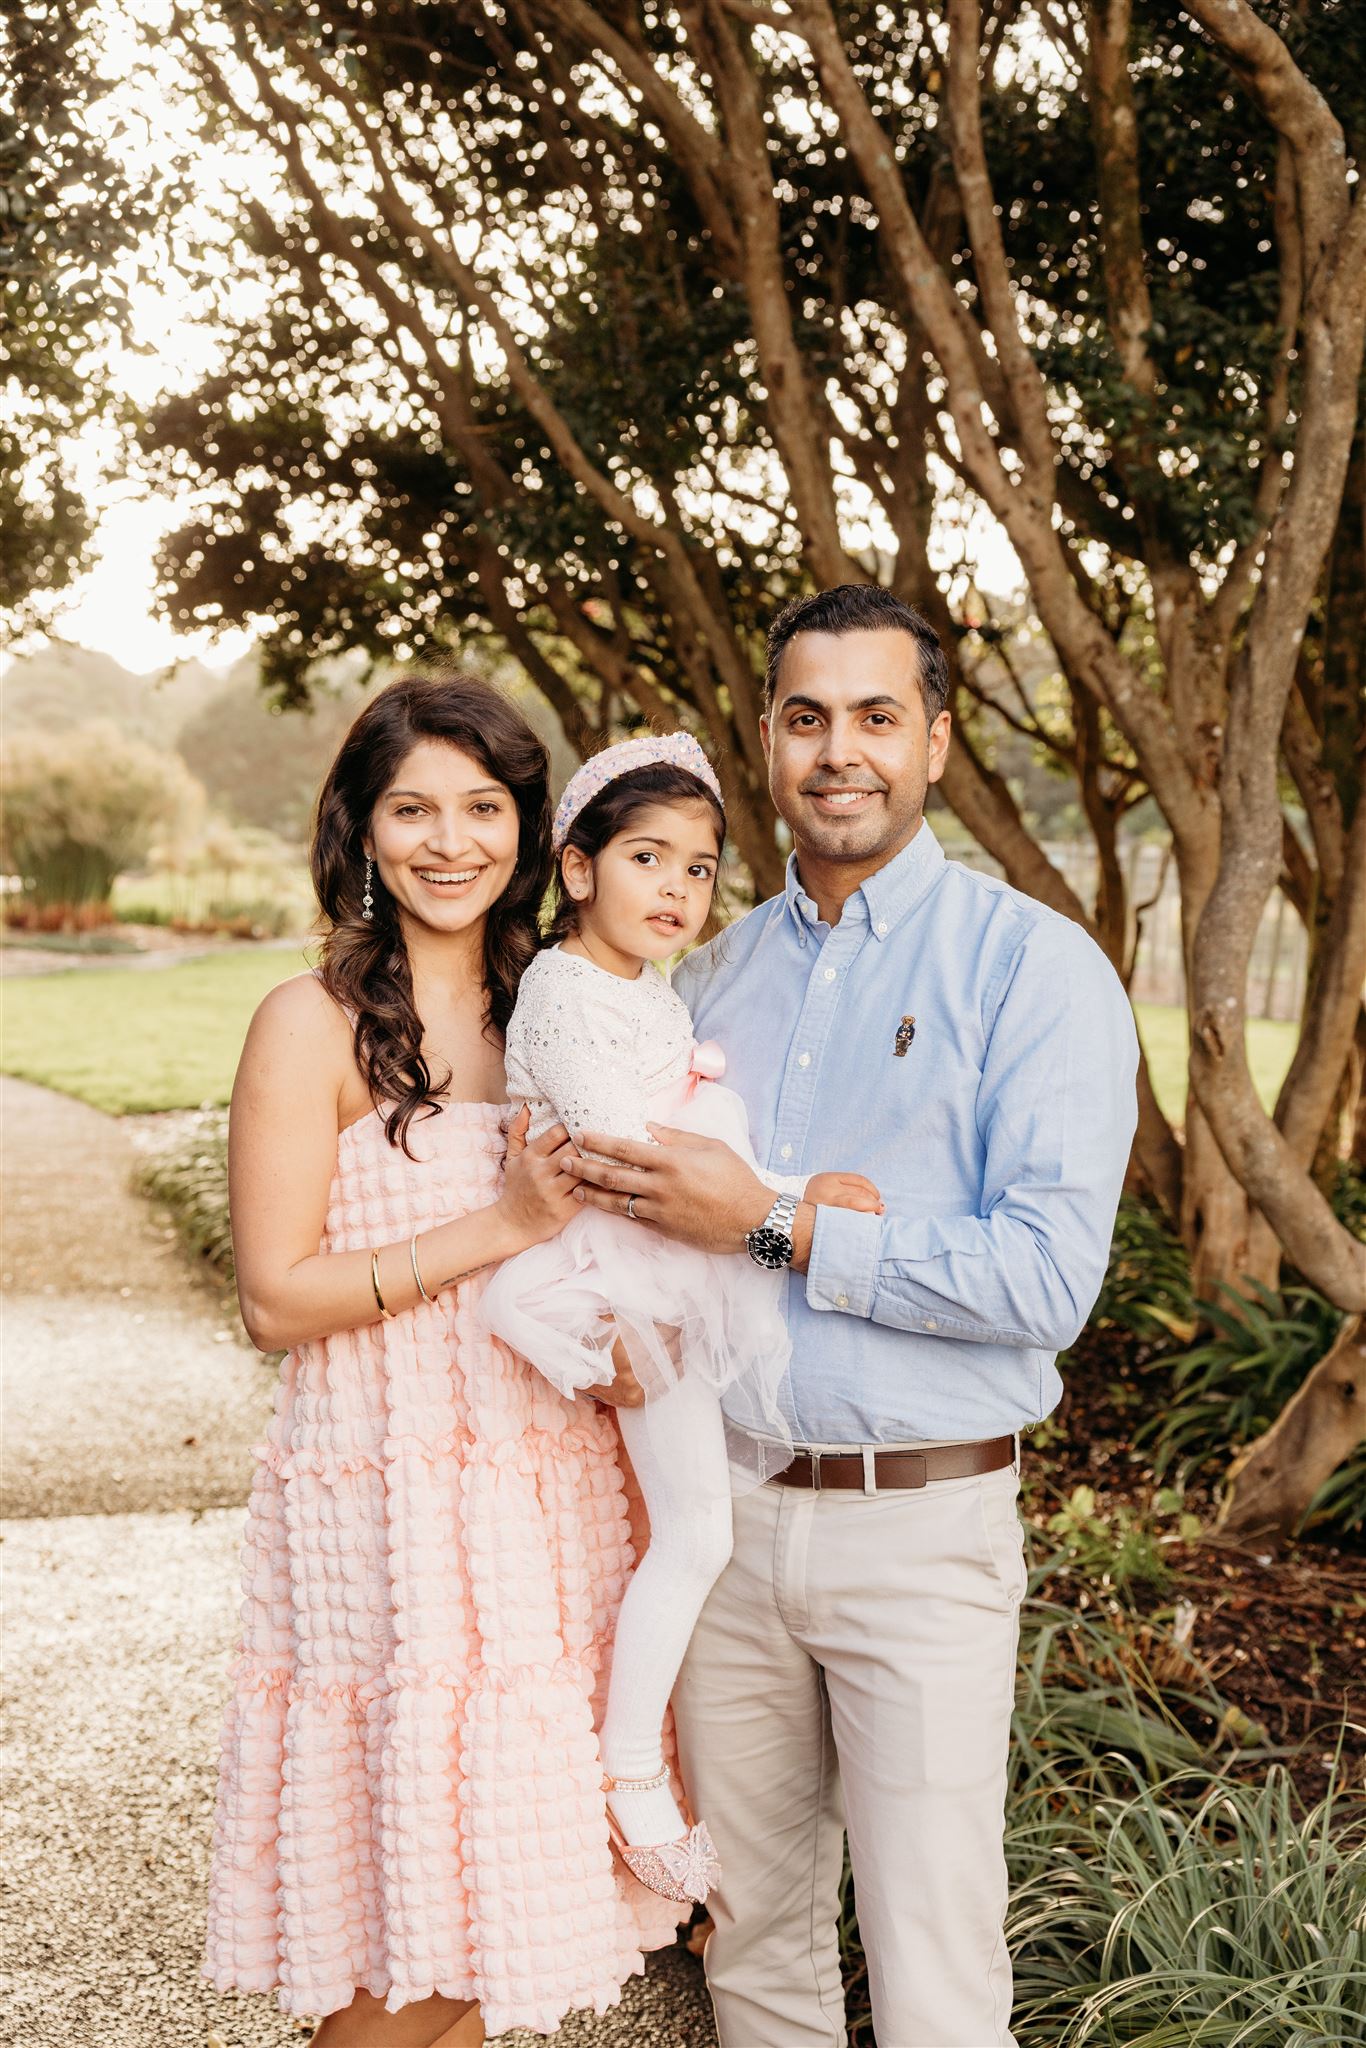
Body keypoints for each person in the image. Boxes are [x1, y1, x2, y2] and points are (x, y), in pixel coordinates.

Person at [564, 585, 1140, 2048]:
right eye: (807, 716)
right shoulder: (710, 974)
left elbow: (1042, 1282)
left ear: (935, 742)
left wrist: (773, 1221)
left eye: (876, 716)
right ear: (766, 740)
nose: (840, 751)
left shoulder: (1034, 968)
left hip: (922, 1538)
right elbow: (634, 1219)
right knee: (753, 1963)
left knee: (935, 1975)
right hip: (725, 1530)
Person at [205, 669, 687, 2048]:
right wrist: (504, 1222)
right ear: (360, 830)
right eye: (411, 808)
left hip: (546, 1500)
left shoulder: (561, 1007)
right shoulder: (311, 1024)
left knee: (486, 1930)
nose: (449, 839)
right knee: (391, 1958)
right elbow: (277, 1300)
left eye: (483, 806)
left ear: (533, 834)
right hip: (390, 1515)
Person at [479, 731, 882, 1905]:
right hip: (617, 1273)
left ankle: (645, 1767)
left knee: (697, 1531)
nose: (676, 888)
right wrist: (802, 1198)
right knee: (696, 1534)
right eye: (647, 857)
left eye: (700, 868)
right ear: (577, 867)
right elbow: (625, 1148)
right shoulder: (559, 994)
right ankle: (629, 1779)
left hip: (666, 1260)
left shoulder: (641, 986)